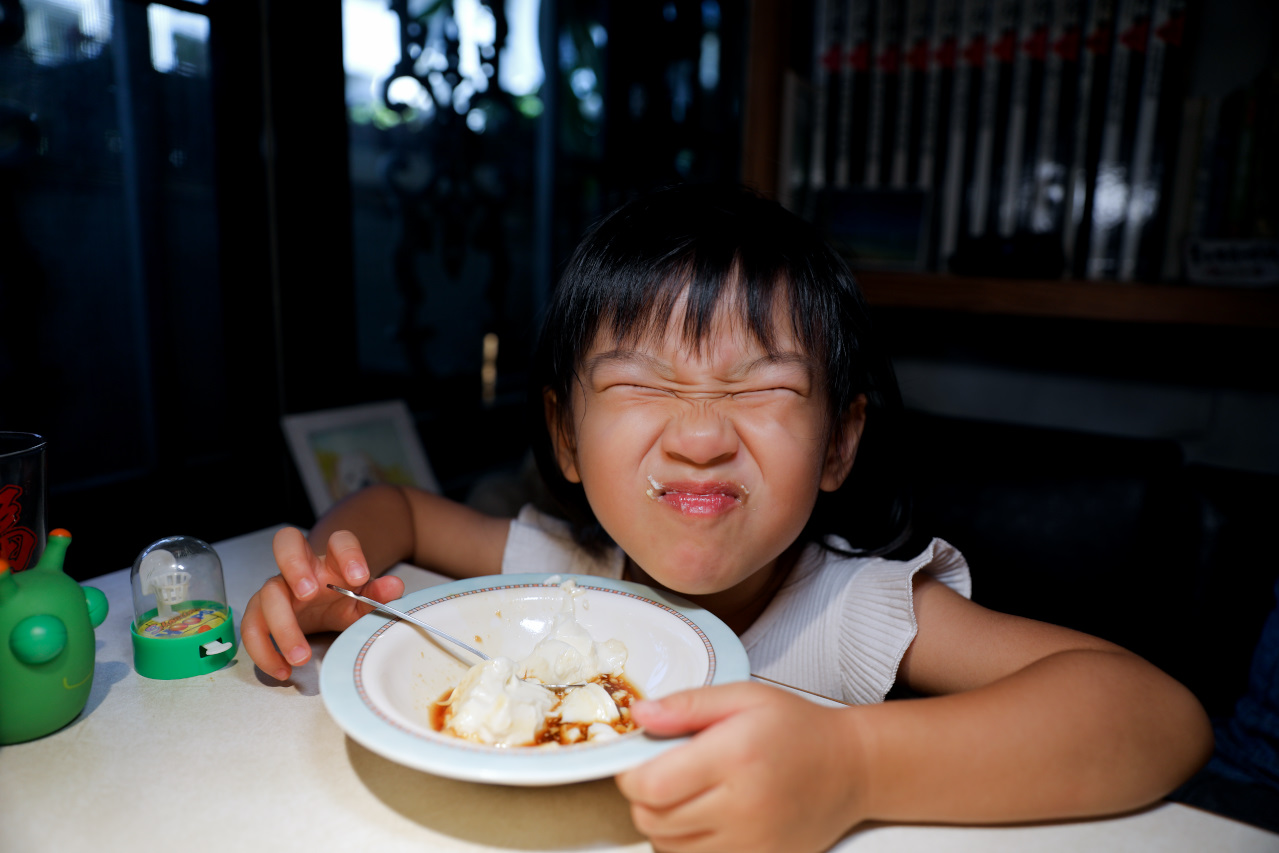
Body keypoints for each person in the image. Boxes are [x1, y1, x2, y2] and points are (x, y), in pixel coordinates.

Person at [243, 184, 1212, 853]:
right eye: (640, 383)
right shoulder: (563, 570)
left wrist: (852, 766)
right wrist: (337, 567)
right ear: (565, 434)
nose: (700, 435)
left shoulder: (856, 610)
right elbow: (402, 508)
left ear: (837, 443)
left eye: (762, 389)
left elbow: (1158, 719)